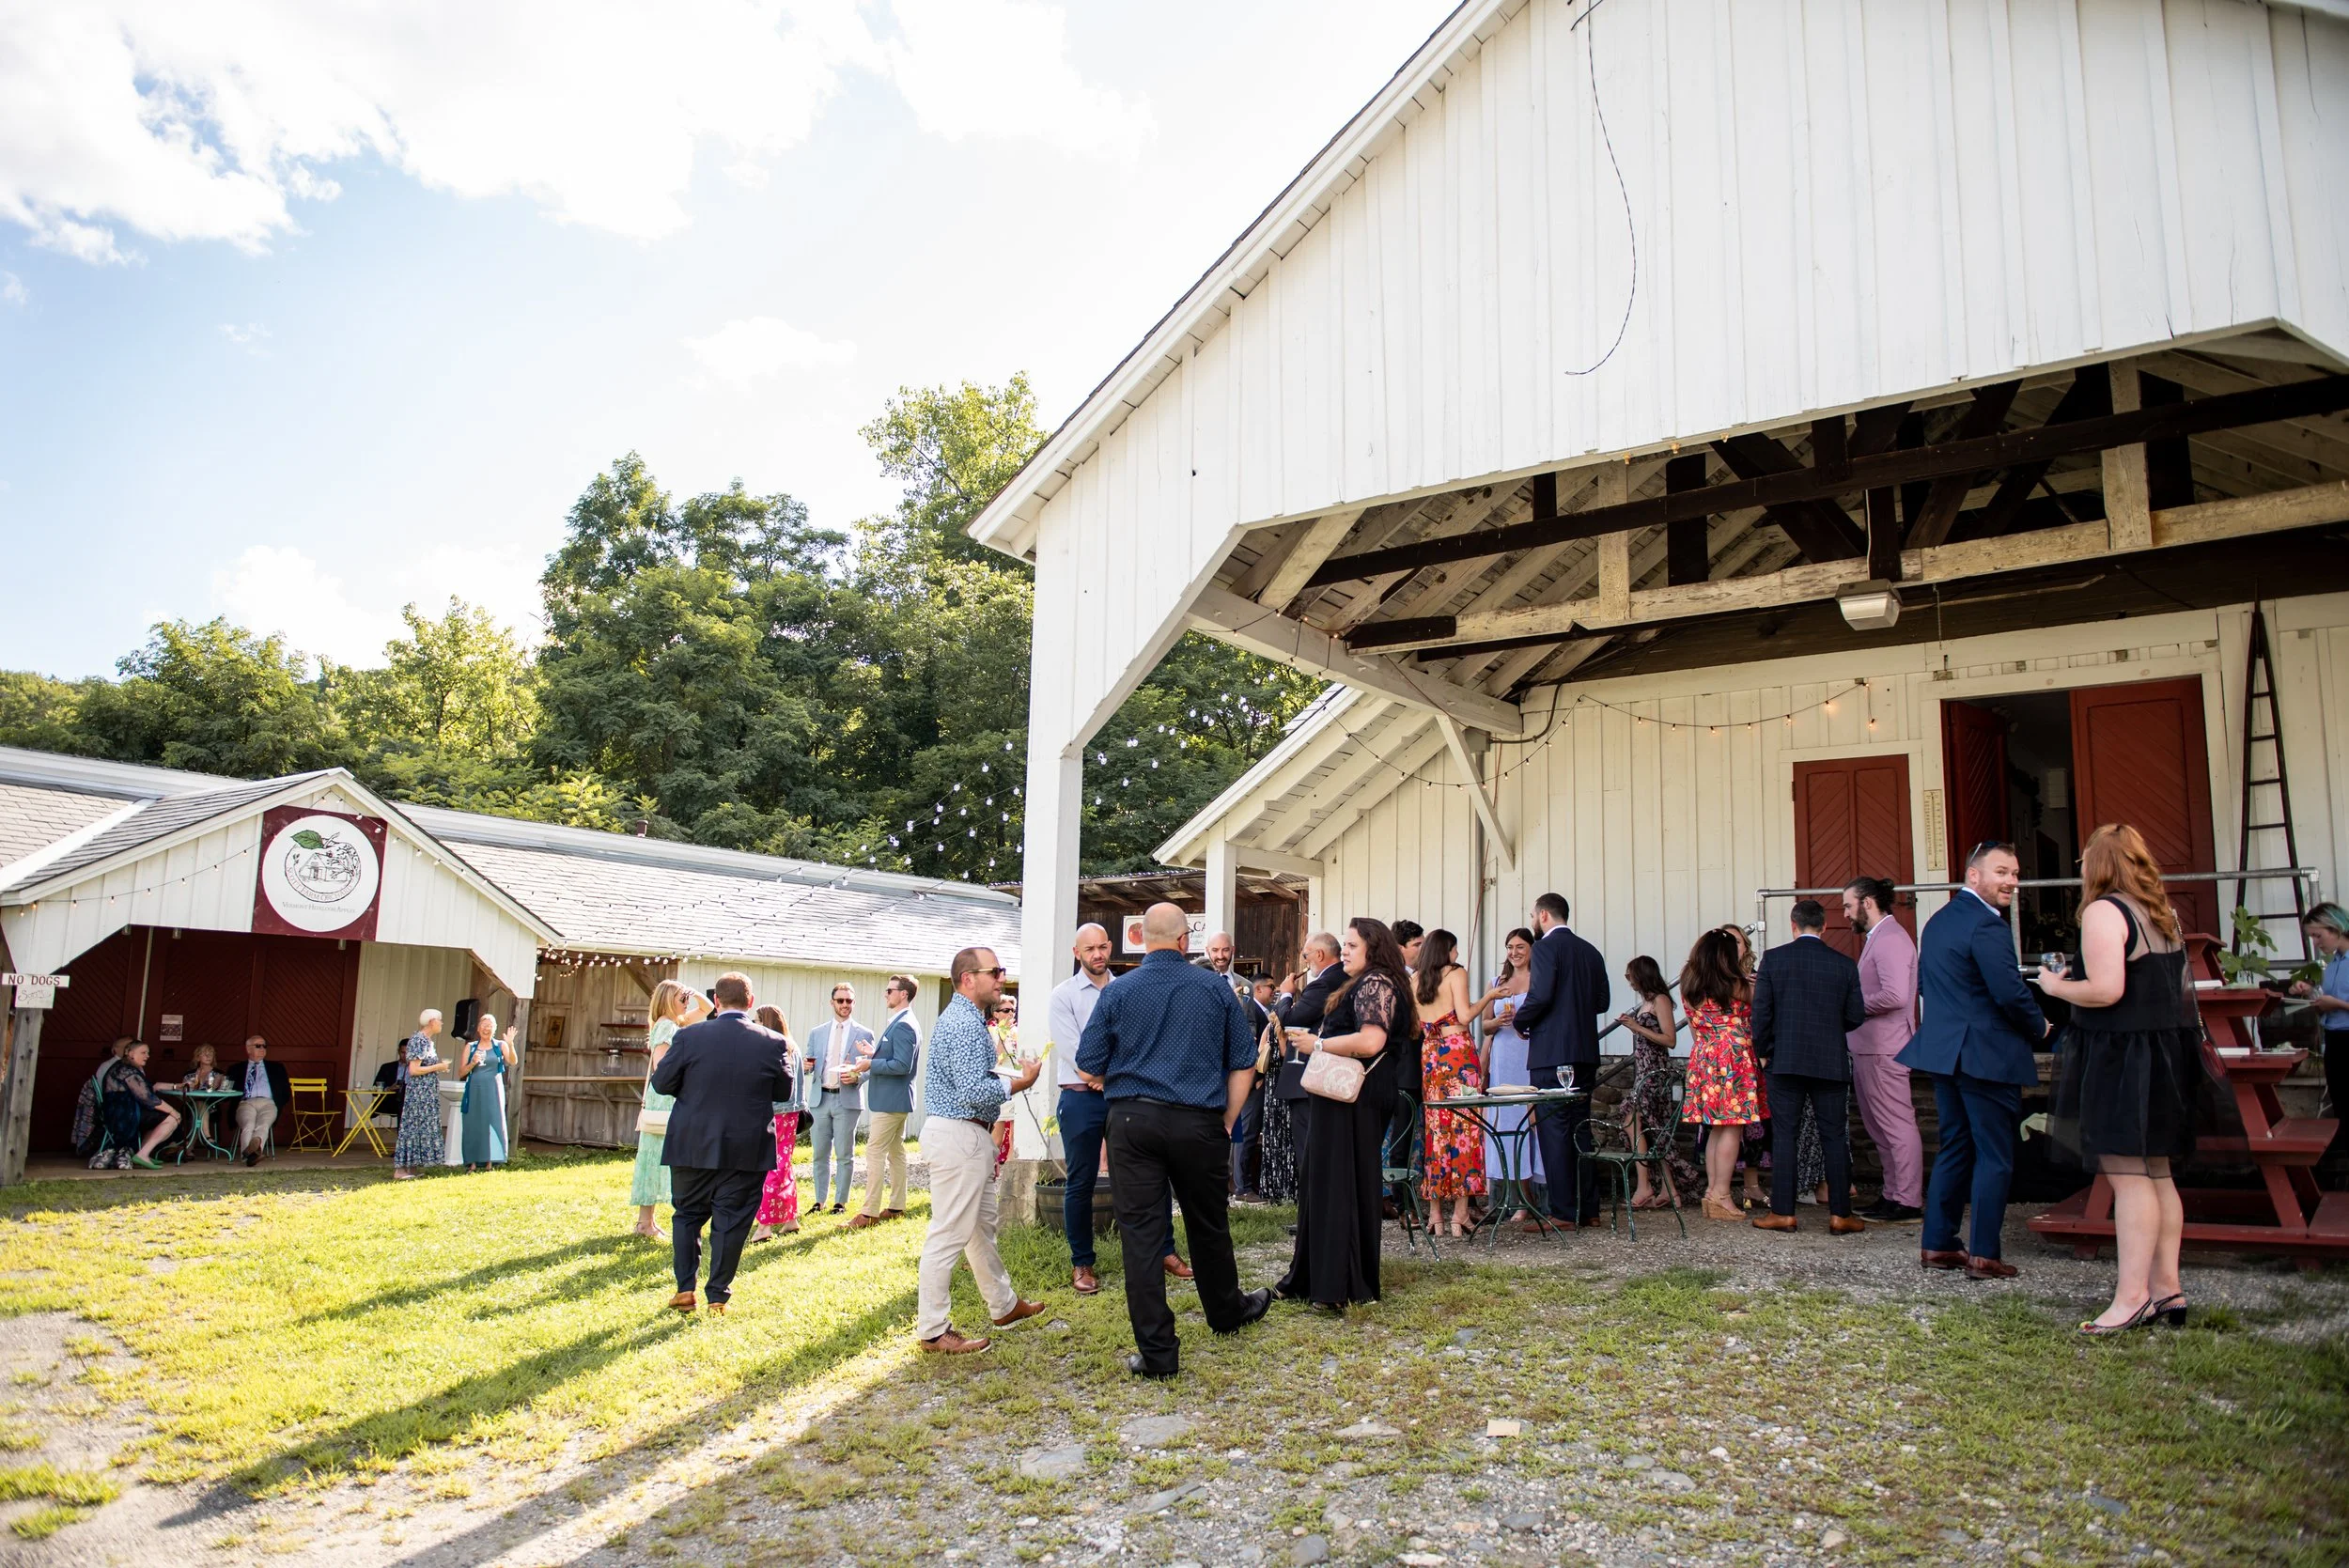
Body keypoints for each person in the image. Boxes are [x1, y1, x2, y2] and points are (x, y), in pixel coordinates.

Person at [2043, 824, 2230, 1333]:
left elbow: (2105, 990)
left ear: (2100, 864)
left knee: (2129, 1179)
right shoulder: (2162, 912)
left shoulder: (2105, 912)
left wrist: (2057, 986)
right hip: (2163, 1053)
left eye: (2084, 860)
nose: (2081, 869)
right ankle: (2169, 1291)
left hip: (2122, 1057)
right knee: (2158, 1174)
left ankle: (2131, 1299)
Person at [1079, 903, 1273, 1377]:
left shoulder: (1118, 992)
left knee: (1142, 1236)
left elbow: (1088, 1065)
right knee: (1208, 1223)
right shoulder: (1215, 988)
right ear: (1186, 941)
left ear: (1142, 939)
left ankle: (1159, 1355)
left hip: (1132, 1122)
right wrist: (1227, 1118)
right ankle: (1227, 1312)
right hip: (1198, 1121)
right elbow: (1244, 1059)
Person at [1900, 842, 2050, 1281]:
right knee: (1994, 1155)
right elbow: (2008, 992)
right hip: (1986, 1053)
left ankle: (1939, 1243)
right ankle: (1984, 1254)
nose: (2012, 882)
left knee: (1954, 1147)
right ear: (1973, 876)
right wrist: (2040, 1026)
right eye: (2002, 872)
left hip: (1946, 1050)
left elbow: (1925, 986)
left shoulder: (1937, 922)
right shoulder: (1988, 925)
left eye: (2016, 874)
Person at [914, 947, 1045, 1354]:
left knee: (978, 1229)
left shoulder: (965, 1019)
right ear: (969, 978)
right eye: (995, 972)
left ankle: (1004, 1306)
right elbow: (973, 1093)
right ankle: (934, 1329)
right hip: (960, 1136)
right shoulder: (965, 1024)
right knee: (950, 1232)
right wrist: (1021, 1083)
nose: (1001, 978)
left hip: (963, 1135)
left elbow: (969, 1082)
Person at [1276, 918, 1409, 1309]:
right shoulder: (1365, 982)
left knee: (1340, 1187)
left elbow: (1372, 1040)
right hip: (1346, 1097)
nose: (1345, 951)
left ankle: (1336, 1286)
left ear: (1374, 949)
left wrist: (1319, 1044)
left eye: (1351, 945)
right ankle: (1317, 1278)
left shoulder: (1376, 983)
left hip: (1356, 1098)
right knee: (1330, 1183)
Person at [652, 973, 791, 1315]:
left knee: (686, 1215)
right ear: (750, 1001)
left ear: (717, 1001)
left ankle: (685, 1289)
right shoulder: (772, 1041)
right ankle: (717, 1295)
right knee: (732, 1220)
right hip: (746, 1145)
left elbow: (662, 1082)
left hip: (692, 1141)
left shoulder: (688, 1036)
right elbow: (783, 1092)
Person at [1749, 901, 1868, 1234]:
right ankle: (1841, 1214)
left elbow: (1762, 1014)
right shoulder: (1844, 965)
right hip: (1829, 1059)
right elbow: (1856, 1015)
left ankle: (1784, 1212)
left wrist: (1763, 1052)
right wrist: (1830, 1029)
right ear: (1824, 927)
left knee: (1786, 1135)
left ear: (1793, 925)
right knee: (1834, 1135)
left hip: (1784, 1060)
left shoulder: (1774, 959)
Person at [1512, 893, 1610, 1227]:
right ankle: (1590, 1209)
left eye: (1532, 915)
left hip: (1552, 1051)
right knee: (1580, 1129)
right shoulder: (1591, 951)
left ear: (1542, 915)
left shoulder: (1544, 948)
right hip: (1585, 1051)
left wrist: (1520, 1021)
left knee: (1553, 1131)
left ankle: (1563, 1212)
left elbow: (1540, 995)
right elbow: (1602, 1001)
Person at [1843, 877, 1924, 1222]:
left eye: (1848, 905)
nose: (1845, 913)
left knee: (1895, 1123)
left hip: (1885, 1046)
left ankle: (1907, 1199)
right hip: (1871, 1045)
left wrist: (1850, 1004)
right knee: (1880, 1126)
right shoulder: (1880, 937)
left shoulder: (1890, 938)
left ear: (1868, 903)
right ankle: (1893, 1194)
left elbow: (1895, 996)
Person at [1680, 929, 1765, 1221]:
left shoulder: (1690, 982)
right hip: (1732, 1057)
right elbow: (1762, 1002)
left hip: (1705, 1054)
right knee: (1732, 1127)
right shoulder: (1733, 984)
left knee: (1716, 1126)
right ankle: (1722, 1194)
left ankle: (1712, 1193)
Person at [1411, 929, 1486, 1238]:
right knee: (1466, 1126)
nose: (1457, 956)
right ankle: (1460, 1214)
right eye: (1454, 950)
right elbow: (1465, 1016)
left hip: (1430, 1054)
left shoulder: (1414, 979)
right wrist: (1491, 997)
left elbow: (1416, 1026)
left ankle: (1436, 1217)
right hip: (1458, 1053)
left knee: (1436, 1131)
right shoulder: (1456, 973)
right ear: (1447, 950)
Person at [1613, 956, 1696, 1208]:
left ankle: (1645, 1185)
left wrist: (1637, 1027)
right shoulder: (1646, 1002)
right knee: (1651, 1130)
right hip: (1643, 1071)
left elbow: (1669, 1039)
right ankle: (1668, 1190)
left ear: (1642, 975)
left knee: (1631, 1116)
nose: (1629, 982)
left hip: (1655, 1073)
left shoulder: (1660, 999)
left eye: (1631, 977)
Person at [633, 980, 711, 1241]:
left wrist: (693, 990)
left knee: (660, 1157)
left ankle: (648, 1220)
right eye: (681, 998)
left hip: (670, 1095)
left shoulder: (675, 1023)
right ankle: (645, 1222)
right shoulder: (667, 1025)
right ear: (668, 1000)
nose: (686, 1002)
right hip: (665, 1098)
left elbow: (707, 1008)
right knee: (656, 1157)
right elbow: (662, 1066)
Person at [1472, 929, 1541, 1218]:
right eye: (1510, 947)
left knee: (1530, 1122)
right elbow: (1484, 1026)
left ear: (1532, 949)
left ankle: (1531, 1198)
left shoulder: (1539, 979)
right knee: (1505, 1122)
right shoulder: (1497, 983)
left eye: (1520, 946)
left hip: (1528, 1055)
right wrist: (1498, 1021)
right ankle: (1505, 1197)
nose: (1514, 952)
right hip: (1502, 1057)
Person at [1199, 930, 1270, 1201]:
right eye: (1215, 951)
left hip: (1237, 1067)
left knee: (1236, 1126)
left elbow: (1251, 1023)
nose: (1220, 956)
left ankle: (1233, 1185)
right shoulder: (1200, 982)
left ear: (1233, 949)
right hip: (1208, 1066)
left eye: (1225, 950)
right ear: (1208, 951)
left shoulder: (1246, 986)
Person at [850, 977, 920, 1227]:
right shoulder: (902, 1022)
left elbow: (903, 1065)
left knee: (875, 1151)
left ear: (903, 994)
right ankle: (897, 1206)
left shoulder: (904, 1025)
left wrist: (871, 1063)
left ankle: (869, 1213)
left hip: (891, 1101)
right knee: (896, 1152)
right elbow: (896, 1058)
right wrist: (875, 1053)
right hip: (896, 1100)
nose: (885, 994)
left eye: (889, 990)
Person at [801, 986, 874, 1216]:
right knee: (819, 1154)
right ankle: (819, 1200)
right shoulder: (817, 1032)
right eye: (840, 1000)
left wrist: (858, 1078)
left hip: (847, 1100)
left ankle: (840, 1202)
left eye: (849, 1001)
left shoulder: (864, 1033)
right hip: (820, 1098)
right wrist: (806, 1067)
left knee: (845, 1153)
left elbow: (872, 1067)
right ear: (831, 1002)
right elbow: (808, 1064)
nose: (845, 1005)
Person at [2287, 903, 2349, 1120]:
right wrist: (2311, 993)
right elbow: (2330, 1002)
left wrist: (2337, 1004)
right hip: (2334, 1040)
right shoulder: (2333, 964)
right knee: (2340, 1102)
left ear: (2335, 928)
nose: (2315, 943)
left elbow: (2338, 1003)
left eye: (2318, 935)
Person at [749, 1003, 802, 1242]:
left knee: (772, 1166)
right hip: (792, 1113)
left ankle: (764, 1225)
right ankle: (791, 1219)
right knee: (784, 1164)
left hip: (776, 1112)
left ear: (766, 1022)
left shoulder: (774, 1047)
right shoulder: (793, 1047)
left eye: (757, 1020)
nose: (753, 1024)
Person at [101, 1042, 180, 1170]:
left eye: (148, 1053)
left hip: (121, 1111)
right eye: (143, 1053)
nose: (147, 1056)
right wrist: (173, 1111)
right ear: (131, 1053)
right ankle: (143, 1154)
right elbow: (147, 1098)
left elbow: (152, 1087)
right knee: (172, 1119)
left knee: (160, 1118)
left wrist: (176, 1086)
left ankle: (142, 1154)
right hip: (122, 1115)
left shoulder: (126, 1067)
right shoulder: (127, 1070)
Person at [393, 1009, 450, 1179]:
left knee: (420, 1127)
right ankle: (400, 1169)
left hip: (426, 1092)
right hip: (419, 1093)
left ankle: (411, 1168)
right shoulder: (419, 1040)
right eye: (440, 1020)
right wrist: (437, 1067)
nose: (441, 1023)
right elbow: (414, 1069)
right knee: (413, 1127)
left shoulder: (427, 1041)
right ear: (432, 1021)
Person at [457, 1012, 517, 1172]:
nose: (486, 1028)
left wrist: (510, 1044)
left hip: (493, 1089)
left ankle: (490, 1161)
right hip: (474, 1088)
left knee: (493, 1122)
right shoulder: (470, 1047)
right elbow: (461, 1072)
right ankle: (473, 1162)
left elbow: (512, 1061)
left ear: (494, 1029)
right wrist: (472, 1063)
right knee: (474, 1123)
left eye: (489, 1026)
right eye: (483, 1025)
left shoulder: (500, 1045)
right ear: (478, 1029)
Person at [73, 1038, 136, 1167]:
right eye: (126, 1048)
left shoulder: (131, 1067)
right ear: (115, 1050)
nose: (128, 1051)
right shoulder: (111, 1067)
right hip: (114, 1110)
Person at [230, 1035, 289, 1167]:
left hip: (268, 1103)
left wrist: (278, 1103)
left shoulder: (277, 1068)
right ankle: (252, 1153)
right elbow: (228, 1089)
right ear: (248, 1049)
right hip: (246, 1102)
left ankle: (249, 1154)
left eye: (264, 1046)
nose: (262, 1048)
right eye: (258, 1046)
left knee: (263, 1125)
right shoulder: (236, 1068)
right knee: (248, 1125)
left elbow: (286, 1091)